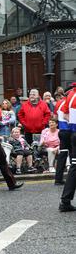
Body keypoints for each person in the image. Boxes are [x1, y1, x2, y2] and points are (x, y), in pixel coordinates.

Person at [58, 84, 76, 212]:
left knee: (74, 167)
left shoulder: (70, 96)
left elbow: (65, 115)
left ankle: (65, 201)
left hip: (73, 133)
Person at [54, 86, 72, 185]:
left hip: (62, 131)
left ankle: (58, 178)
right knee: (73, 156)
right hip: (70, 130)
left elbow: (55, 117)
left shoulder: (59, 103)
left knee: (62, 155)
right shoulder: (70, 102)